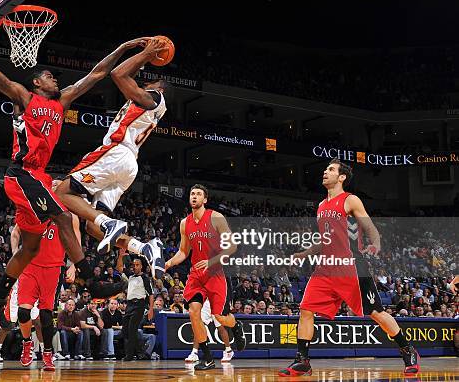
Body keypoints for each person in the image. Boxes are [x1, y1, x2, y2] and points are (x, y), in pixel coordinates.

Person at [0, 21, 148, 329]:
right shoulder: (24, 97)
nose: (55, 80)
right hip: (21, 174)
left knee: (31, 246)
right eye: (50, 76)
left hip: (34, 178)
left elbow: (97, 74)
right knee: (63, 217)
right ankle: (92, 283)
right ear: (37, 82)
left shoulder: (61, 102)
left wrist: (124, 47)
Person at [278, 159, 420, 377]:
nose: (325, 172)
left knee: (376, 313)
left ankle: (407, 350)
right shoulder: (321, 205)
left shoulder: (350, 200)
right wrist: (305, 253)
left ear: (341, 177)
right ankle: (302, 360)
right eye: (325, 169)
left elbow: (370, 227)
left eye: (331, 170)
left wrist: (376, 243)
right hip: (326, 268)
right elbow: (325, 239)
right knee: (306, 310)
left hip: (351, 266)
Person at [55, 38, 170, 280]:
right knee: (93, 227)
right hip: (128, 166)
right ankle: (145, 248)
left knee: (63, 192)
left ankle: (111, 224)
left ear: (160, 88)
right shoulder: (147, 102)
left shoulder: (154, 98)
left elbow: (118, 74)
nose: (147, 79)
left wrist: (147, 53)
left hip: (116, 152)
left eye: (152, 80)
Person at [165, 184, 246, 371]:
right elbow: (183, 251)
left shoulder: (216, 217)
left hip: (215, 273)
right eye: (192, 193)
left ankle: (236, 325)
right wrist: (169, 263)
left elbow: (232, 246)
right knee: (194, 313)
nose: (194, 196)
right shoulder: (185, 223)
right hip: (196, 274)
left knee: (220, 317)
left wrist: (211, 261)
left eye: (198, 194)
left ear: (205, 199)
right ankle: (207, 357)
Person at [10, 218, 76, 371]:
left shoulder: (63, 214)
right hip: (29, 266)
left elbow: (74, 239)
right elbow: (15, 232)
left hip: (53, 269)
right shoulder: (31, 208)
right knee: (23, 311)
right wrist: (15, 253)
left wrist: (73, 263)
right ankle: (27, 343)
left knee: (46, 315)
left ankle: (47, 352)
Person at [116, 254, 154, 361]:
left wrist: (151, 309)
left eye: (137, 265)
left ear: (141, 266)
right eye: (134, 265)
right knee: (125, 331)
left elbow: (151, 294)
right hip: (129, 305)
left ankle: (129, 355)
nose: (135, 266)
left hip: (139, 305)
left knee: (132, 329)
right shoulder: (130, 276)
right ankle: (141, 352)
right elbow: (119, 268)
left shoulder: (145, 278)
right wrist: (120, 256)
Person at [185, 299, 234, 363]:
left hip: (217, 302)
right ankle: (194, 353)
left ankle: (228, 351)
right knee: (198, 326)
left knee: (220, 327)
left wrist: (229, 303)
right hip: (205, 303)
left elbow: (228, 291)